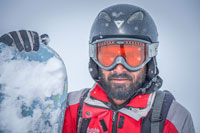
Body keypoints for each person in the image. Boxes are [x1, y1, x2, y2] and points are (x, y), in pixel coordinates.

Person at [0, 4, 195, 133]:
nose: (119, 66)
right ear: (94, 59)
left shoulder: (172, 118)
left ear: (150, 59)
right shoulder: (68, 109)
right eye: (108, 55)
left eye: (133, 56)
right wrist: (17, 67)